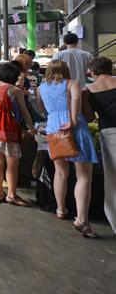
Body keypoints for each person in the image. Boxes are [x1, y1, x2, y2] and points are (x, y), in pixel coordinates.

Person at [38, 59, 98, 238]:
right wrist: (71, 120)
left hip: (53, 128)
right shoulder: (72, 83)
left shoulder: (40, 88)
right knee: (84, 175)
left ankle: (60, 209)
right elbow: (77, 99)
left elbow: (42, 109)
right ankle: (81, 218)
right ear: (66, 70)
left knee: (60, 172)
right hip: (74, 128)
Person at [0, 63, 36, 205]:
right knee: (12, 164)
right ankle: (12, 195)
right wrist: (31, 128)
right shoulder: (14, 90)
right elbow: (24, 113)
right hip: (7, 129)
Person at [83, 56, 116, 234]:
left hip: (109, 133)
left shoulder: (88, 90)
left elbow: (89, 117)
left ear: (93, 72)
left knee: (112, 180)